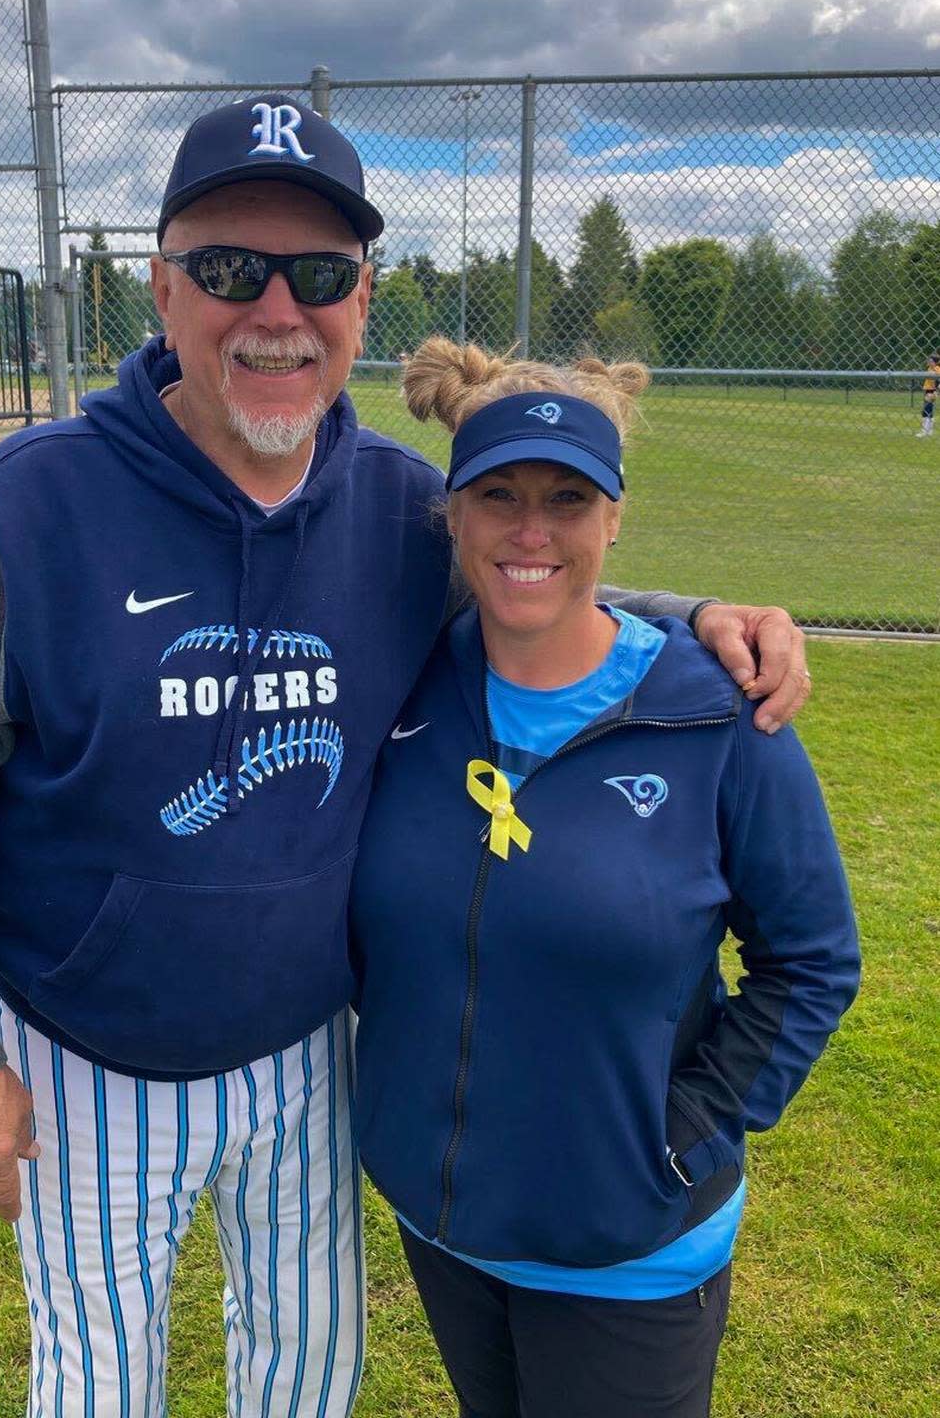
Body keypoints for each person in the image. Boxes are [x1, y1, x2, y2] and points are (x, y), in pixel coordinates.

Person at [0, 98, 812, 1418]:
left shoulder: (400, 512)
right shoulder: (30, 503)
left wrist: (695, 618)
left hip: (310, 1056)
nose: (276, 310)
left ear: (364, 297)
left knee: (307, 1375)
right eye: (233, 270)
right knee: (98, 1384)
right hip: (86, 1053)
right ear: (163, 288)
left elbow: (534, 578)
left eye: (321, 273)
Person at [349, 339, 861, 1418]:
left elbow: (812, 960)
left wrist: (681, 1135)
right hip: (446, 1222)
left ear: (614, 515)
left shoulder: (719, 712)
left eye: (567, 498)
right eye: (500, 495)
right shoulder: (411, 679)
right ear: (454, 513)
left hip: (629, 1240)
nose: (531, 530)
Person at [916, 353, 939, 437]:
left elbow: (938, 382)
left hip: (932, 391)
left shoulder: (937, 369)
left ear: (935, 362)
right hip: (927, 390)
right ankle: (929, 431)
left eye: (931, 360)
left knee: (926, 411)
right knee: (929, 411)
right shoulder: (930, 368)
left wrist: (935, 392)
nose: (929, 361)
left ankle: (924, 431)